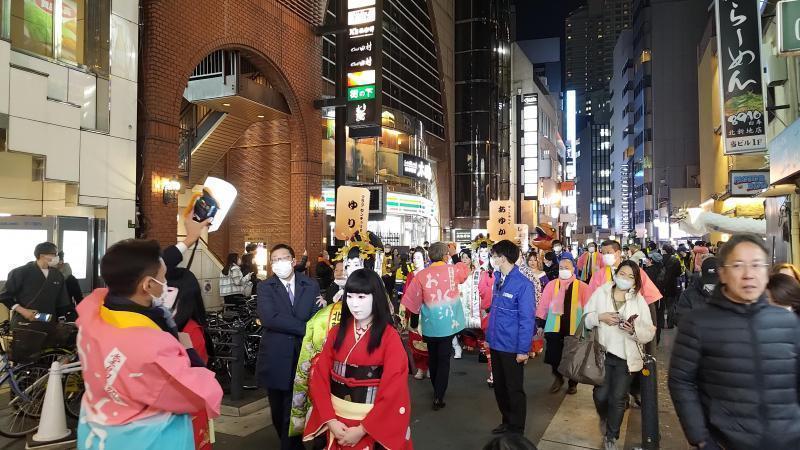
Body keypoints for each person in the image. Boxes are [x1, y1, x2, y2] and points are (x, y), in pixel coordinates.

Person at [75, 239, 222, 450]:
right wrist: (188, 350)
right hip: (146, 440)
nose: (167, 285)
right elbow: (198, 394)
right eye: (163, 279)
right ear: (147, 285)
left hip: (98, 434)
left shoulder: (92, 317)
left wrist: (189, 239)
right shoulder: (151, 345)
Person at [669, 234, 800, 449]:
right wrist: (700, 438)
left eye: (757, 265)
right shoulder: (698, 323)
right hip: (725, 442)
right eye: (738, 265)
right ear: (723, 273)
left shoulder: (788, 322)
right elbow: (681, 381)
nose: (749, 274)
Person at [303, 269, 412, 449]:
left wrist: (362, 429)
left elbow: (394, 389)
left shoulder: (389, 337)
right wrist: (330, 420)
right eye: (350, 297)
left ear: (375, 298)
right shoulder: (336, 332)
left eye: (361, 297)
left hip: (370, 422)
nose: (354, 304)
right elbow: (320, 377)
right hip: (336, 420)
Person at [256, 244, 322, 450]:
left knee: (296, 407)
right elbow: (270, 318)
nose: (279, 263)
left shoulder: (310, 285)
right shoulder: (265, 287)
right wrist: (304, 327)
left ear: (293, 262)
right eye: (274, 260)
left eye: (283, 258)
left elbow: (315, 315)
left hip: (304, 355)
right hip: (276, 356)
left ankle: (292, 445)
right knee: (278, 410)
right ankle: (289, 441)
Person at [585, 261, 655, 450]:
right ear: (616, 274)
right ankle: (604, 418)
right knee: (600, 395)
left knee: (618, 397)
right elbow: (586, 317)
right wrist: (600, 317)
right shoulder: (601, 292)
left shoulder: (638, 300)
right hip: (603, 354)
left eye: (631, 276)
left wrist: (633, 329)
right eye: (622, 273)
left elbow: (649, 331)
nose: (625, 278)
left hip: (626, 358)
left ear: (635, 281)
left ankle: (611, 436)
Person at [402, 242, 470, 410]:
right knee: (444, 359)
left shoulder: (422, 275)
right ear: (446, 255)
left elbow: (413, 299)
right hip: (448, 324)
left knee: (432, 356)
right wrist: (455, 256)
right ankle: (439, 395)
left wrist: (414, 322)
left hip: (430, 324)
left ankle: (436, 389)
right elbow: (464, 272)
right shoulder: (453, 271)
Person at [485, 240, 535, 435]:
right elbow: (494, 314)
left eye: (494, 255)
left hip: (512, 346)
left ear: (503, 258)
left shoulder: (523, 284)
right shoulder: (499, 278)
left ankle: (516, 429)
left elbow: (526, 319)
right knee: (500, 387)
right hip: (497, 343)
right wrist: (489, 338)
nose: (492, 259)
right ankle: (507, 422)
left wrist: (524, 349)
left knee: (514, 389)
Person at [535, 258, 591, 395]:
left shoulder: (583, 287)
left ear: (573, 269)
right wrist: (540, 324)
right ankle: (558, 378)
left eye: (567, 267)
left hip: (575, 328)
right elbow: (543, 305)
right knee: (554, 356)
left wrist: (589, 327)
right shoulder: (551, 285)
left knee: (573, 357)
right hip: (554, 327)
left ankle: (573, 383)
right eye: (561, 267)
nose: (564, 270)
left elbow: (589, 308)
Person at [1, 242, 71, 327]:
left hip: (49, 322)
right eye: (54, 254)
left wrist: (61, 320)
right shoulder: (20, 272)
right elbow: (4, 296)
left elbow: (62, 301)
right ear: (42, 256)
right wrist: (24, 311)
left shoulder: (57, 275)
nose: (57, 257)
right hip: (24, 322)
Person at [589, 240, 662, 304]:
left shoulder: (634, 270)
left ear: (618, 253)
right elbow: (592, 298)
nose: (605, 256)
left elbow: (650, 296)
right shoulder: (598, 275)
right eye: (603, 253)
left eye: (608, 253)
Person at [403, 247, 430, 380]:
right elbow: (406, 294)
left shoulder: (429, 273)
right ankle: (420, 368)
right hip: (413, 312)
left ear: (425, 259)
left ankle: (430, 366)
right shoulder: (410, 275)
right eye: (414, 258)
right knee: (415, 341)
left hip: (427, 312)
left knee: (428, 340)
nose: (415, 260)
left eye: (418, 258)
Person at [674, 257, 718, 326]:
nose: (711, 286)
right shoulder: (689, 294)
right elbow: (680, 319)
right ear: (700, 274)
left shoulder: (730, 294)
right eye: (708, 283)